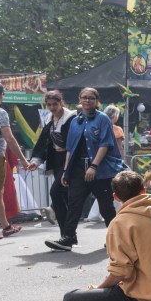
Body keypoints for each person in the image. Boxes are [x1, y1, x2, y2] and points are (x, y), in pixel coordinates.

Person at [62, 170, 151, 301]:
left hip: (142, 298)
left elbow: (120, 273)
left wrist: (99, 289)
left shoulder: (120, 223)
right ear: (143, 190)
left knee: (70, 298)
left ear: (115, 197)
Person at [45, 87, 123, 251]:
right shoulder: (75, 121)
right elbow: (70, 148)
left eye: (91, 98)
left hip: (99, 170)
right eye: (84, 97)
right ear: (79, 100)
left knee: (106, 206)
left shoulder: (102, 119)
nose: (87, 100)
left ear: (96, 101)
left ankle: (116, 239)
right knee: (74, 204)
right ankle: (68, 238)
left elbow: (105, 144)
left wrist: (94, 166)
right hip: (78, 169)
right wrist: (66, 171)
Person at [0, 81, 36, 238]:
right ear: (1, 96)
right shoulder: (0, 113)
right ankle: (5, 227)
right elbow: (9, 139)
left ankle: (5, 226)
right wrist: (24, 160)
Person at [30, 90, 76, 227]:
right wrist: (36, 161)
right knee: (63, 195)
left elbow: (74, 144)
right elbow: (44, 142)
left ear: (61, 103)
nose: (52, 108)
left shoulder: (71, 119)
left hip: (70, 158)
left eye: (54, 104)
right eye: (49, 105)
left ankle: (67, 231)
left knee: (55, 192)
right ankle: (67, 232)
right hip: (56, 159)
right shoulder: (49, 119)